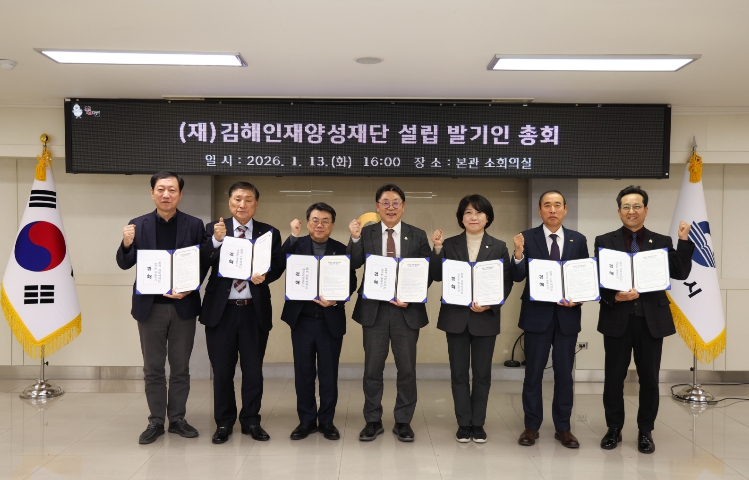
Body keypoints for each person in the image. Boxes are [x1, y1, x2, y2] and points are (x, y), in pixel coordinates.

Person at [596, 185, 693, 454]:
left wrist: (684, 241)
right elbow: (599, 280)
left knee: (649, 379)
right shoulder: (604, 241)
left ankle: (645, 430)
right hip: (617, 317)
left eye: (637, 206)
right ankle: (613, 428)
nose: (632, 211)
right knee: (613, 378)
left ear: (646, 210)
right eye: (626, 207)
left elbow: (680, 272)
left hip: (651, 319)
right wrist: (615, 297)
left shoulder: (661, 241)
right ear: (619, 212)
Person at [115, 171, 206, 444]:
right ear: (152, 193)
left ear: (180, 194)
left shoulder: (194, 225)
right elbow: (124, 263)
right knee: (153, 367)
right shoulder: (137, 224)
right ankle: (155, 421)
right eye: (161, 189)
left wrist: (191, 287)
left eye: (172, 190)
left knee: (180, 367)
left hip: (183, 306)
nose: (166, 194)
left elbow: (202, 262)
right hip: (150, 307)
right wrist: (126, 243)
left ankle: (177, 418)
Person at [199, 181, 284, 444]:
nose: (242, 204)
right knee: (222, 371)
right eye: (237, 199)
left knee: (253, 370)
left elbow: (278, 265)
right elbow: (201, 261)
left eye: (248, 199)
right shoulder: (214, 228)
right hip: (221, 312)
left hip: (253, 311)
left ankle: (251, 420)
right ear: (229, 202)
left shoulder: (269, 232)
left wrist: (265, 276)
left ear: (256, 204)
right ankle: (224, 422)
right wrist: (216, 241)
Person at [347, 184, 431, 442]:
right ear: (377, 206)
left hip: (407, 312)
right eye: (385, 202)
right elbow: (353, 263)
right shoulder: (367, 232)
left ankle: (403, 421)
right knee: (372, 369)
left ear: (403, 206)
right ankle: (372, 420)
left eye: (396, 202)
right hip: (375, 311)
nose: (391, 207)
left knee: (407, 370)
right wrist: (354, 238)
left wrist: (411, 296)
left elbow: (425, 272)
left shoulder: (417, 235)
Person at [430, 194, 513, 443]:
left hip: (485, 317)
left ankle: (478, 423)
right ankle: (463, 423)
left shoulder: (499, 246)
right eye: (468, 212)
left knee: (482, 374)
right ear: (461, 217)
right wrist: (437, 248)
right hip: (456, 317)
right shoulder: (449, 244)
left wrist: (491, 304)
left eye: (478, 213)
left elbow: (506, 281)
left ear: (487, 217)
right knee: (458, 374)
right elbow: (436, 275)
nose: (473, 217)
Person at [511, 190, 589, 448]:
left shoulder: (578, 239)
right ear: (539, 210)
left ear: (565, 209)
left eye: (557, 205)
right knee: (533, 373)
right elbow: (517, 276)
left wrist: (580, 297)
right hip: (537, 316)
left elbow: (583, 276)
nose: (552, 210)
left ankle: (563, 427)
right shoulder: (527, 237)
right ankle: (531, 426)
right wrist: (518, 253)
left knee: (564, 374)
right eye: (547, 205)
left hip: (567, 316)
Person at [280, 202, 357, 441]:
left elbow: (351, 281)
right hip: (302, 320)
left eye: (325, 221)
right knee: (303, 372)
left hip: (329, 320)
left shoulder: (340, 249)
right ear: (307, 223)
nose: (320, 225)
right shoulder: (296, 245)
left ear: (332, 225)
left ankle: (326, 421)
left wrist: (336, 299)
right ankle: (306, 421)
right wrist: (292, 236)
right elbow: (279, 262)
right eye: (315, 220)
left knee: (328, 374)